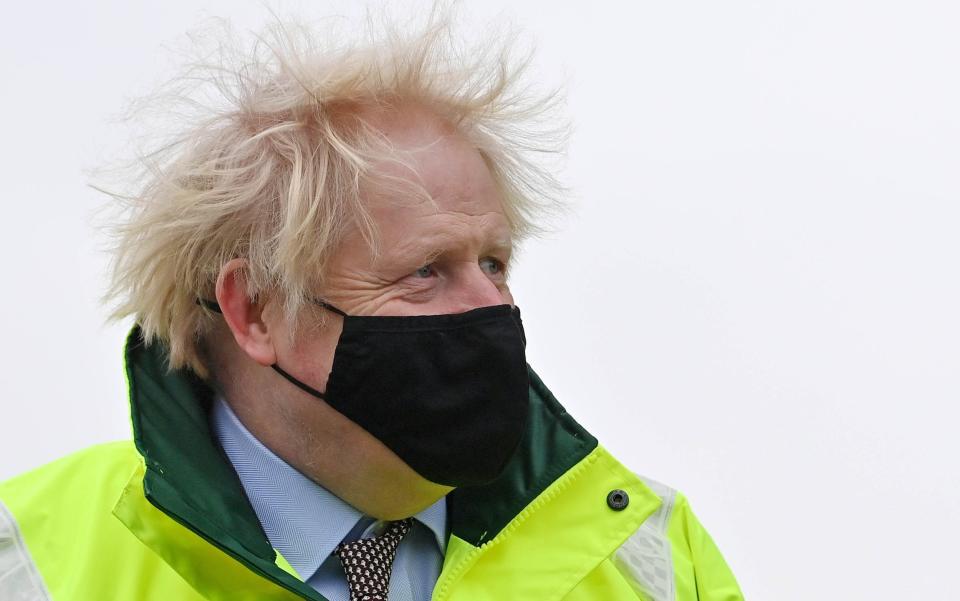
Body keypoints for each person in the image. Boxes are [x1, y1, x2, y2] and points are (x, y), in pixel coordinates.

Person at [0, 9, 743, 601]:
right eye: (425, 271)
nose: (493, 309)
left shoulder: (645, 552)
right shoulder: (32, 561)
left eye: (494, 262)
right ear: (255, 310)